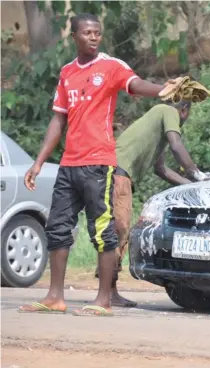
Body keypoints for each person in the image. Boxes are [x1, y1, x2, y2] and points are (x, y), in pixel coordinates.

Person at [18, 12, 174, 316]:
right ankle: (55, 297)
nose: (93, 37)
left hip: (98, 164)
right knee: (57, 227)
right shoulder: (66, 73)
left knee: (102, 230)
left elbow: (136, 84)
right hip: (69, 164)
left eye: (97, 33)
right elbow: (57, 119)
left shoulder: (111, 66)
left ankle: (103, 299)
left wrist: (162, 89)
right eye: (87, 33)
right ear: (74, 36)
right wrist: (38, 163)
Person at [98, 100, 210, 307]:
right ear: (184, 110)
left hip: (114, 173)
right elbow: (176, 145)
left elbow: (162, 169)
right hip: (117, 174)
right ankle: (109, 291)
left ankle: (109, 290)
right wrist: (199, 175)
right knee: (119, 231)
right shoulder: (167, 111)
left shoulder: (156, 125)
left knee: (115, 231)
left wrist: (193, 185)